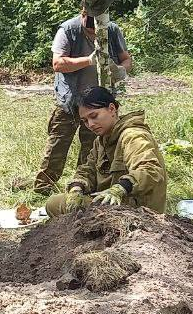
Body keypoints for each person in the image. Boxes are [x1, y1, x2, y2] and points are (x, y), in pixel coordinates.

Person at [33, 11, 133, 196]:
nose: (95, 33)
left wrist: (120, 70)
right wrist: (88, 60)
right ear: (84, 14)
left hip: (98, 105)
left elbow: (126, 59)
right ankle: (42, 189)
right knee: (57, 146)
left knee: (92, 149)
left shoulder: (111, 30)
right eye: (91, 30)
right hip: (70, 101)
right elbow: (58, 63)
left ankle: (81, 188)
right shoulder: (69, 29)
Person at [45, 86, 166, 216]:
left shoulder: (132, 135)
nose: (90, 124)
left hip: (137, 210)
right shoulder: (101, 140)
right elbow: (87, 170)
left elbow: (151, 170)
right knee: (56, 204)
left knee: (55, 203)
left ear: (112, 109)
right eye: (85, 121)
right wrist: (76, 188)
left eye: (94, 116)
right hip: (110, 205)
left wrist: (121, 188)